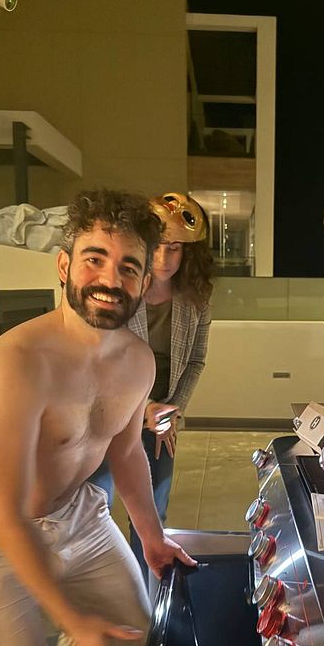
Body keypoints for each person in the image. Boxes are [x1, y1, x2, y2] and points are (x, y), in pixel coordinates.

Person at [0, 189, 196, 646]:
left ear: (144, 282)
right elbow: (2, 508)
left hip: (78, 517)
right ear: (64, 266)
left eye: (127, 266)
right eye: (94, 258)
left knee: (132, 638)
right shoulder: (13, 365)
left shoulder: (138, 361)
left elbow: (126, 453)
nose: (108, 279)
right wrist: (71, 618)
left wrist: (151, 536)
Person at [91, 192, 213, 580]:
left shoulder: (197, 297)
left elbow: (195, 361)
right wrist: (141, 408)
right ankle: (108, 588)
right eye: (157, 246)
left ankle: (145, 589)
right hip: (111, 411)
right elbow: (102, 358)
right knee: (99, 503)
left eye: (174, 248)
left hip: (161, 417)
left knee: (152, 511)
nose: (164, 258)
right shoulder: (120, 289)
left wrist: (172, 410)